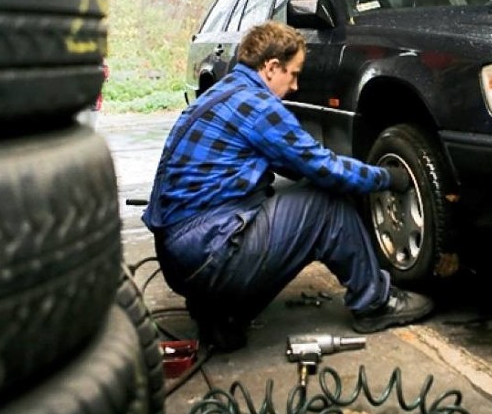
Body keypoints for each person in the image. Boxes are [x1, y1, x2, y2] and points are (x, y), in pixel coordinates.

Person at [142, 21, 434, 351]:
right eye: (293, 74)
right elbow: (325, 169)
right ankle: (374, 303)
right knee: (325, 204)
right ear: (271, 67)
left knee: (279, 199)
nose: (295, 86)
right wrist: (386, 178)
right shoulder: (257, 106)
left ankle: (221, 316)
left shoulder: (221, 96)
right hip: (210, 255)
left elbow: (289, 163)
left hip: (181, 260)